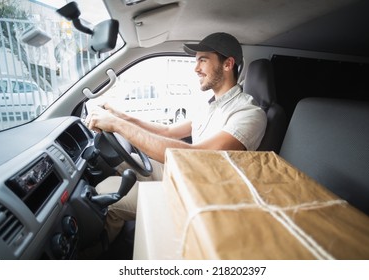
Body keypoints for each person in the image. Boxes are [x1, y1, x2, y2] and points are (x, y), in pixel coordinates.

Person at [85, 32, 267, 247]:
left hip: (201, 194)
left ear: (227, 64)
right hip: (186, 175)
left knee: (107, 190)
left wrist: (117, 126)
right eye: (196, 60)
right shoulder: (210, 105)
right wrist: (121, 116)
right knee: (125, 160)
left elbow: (199, 156)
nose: (196, 68)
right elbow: (169, 131)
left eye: (203, 60)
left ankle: (95, 253)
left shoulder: (249, 113)